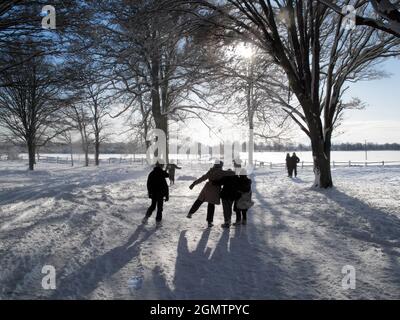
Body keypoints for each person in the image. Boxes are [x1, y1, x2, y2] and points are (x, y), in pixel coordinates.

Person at [187, 160, 231, 228]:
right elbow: (233, 173)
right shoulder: (222, 172)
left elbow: (203, 178)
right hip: (215, 190)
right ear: (221, 166)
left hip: (207, 188)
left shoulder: (211, 171)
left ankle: (190, 213)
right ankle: (209, 222)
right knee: (211, 205)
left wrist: (194, 183)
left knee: (199, 201)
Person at [142, 162, 169, 227]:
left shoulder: (151, 173)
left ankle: (145, 218)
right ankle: (158, 222)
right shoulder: (162, 173)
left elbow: (148, 184)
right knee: (159, 207)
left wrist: (150, 193)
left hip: (154, 193)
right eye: (162, 165)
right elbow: (167, 177)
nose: (163, 166)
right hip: (160, 193)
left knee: (153, 206)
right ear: (161, 166)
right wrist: (167, 195)